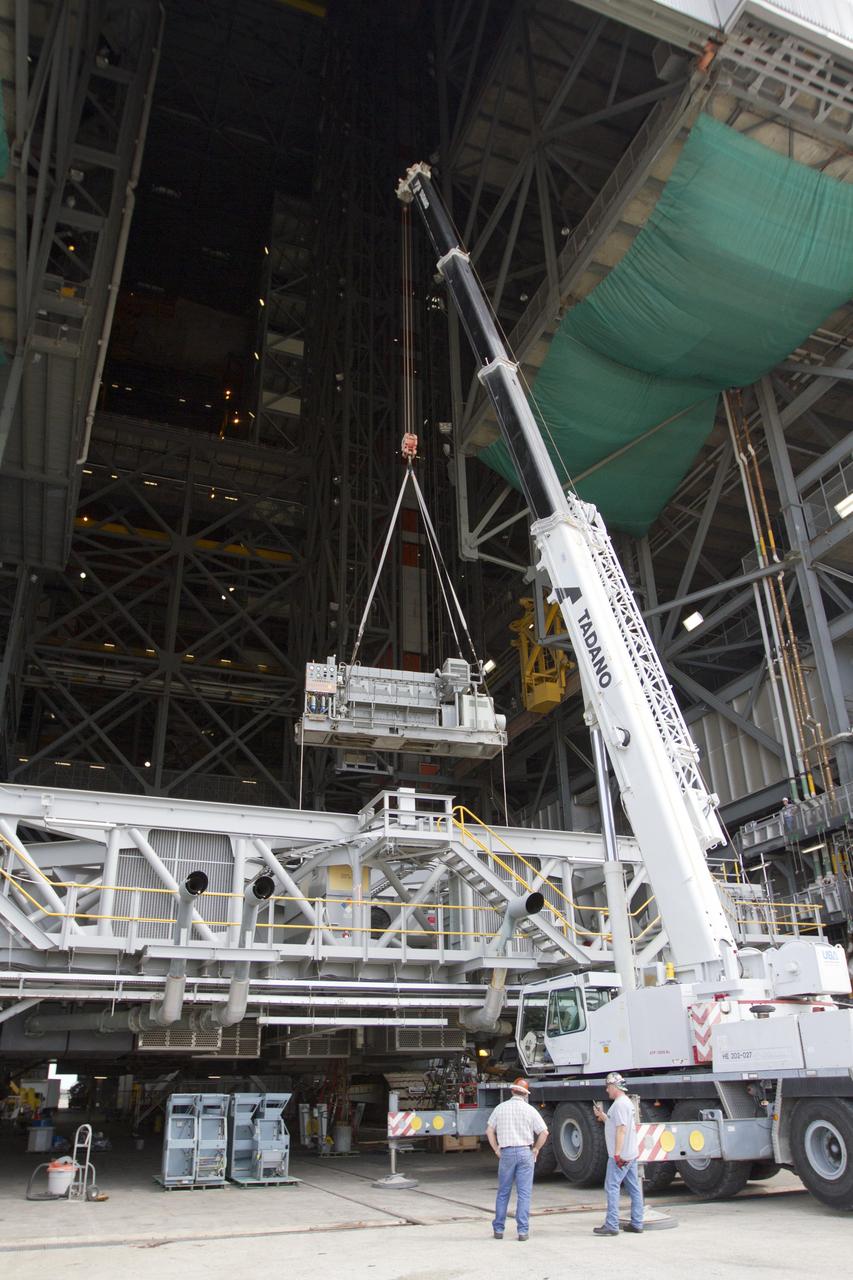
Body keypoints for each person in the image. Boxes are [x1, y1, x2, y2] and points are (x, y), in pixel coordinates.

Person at [486, 1077, 549, 1241]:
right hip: (524, 1152)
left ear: (512, 1091)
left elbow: (489, 1131)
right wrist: (535, 1149)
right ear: (525, 1094)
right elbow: (544, 1132)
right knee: (524, 1194)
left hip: (506, 1152)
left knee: (503, 1192)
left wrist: (496, 1148)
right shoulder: (530, 1110)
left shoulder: (500, 1108)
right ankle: (522, 1231)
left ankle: (499, 1229)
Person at [592, 1071, 643, 1237]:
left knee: (612, 1187)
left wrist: (617, 1153)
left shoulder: (620, 1105)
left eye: (608, 1087)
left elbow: (621, 1129)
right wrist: (604, 1116)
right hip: (631, 1153)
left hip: (621, 1156)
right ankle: (637, 1222)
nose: (607, 1090)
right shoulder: (625, 1103)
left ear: (614, 1086)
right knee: (634, 1189)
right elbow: (617, 1124)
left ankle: (612, 1224)